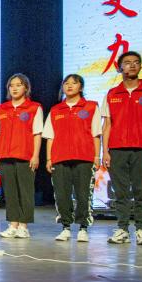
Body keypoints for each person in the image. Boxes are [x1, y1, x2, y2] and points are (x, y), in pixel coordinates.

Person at [101, 51, 142, 246]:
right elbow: (107, 125)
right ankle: (122, 229)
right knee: (120, 192)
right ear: (120, 67)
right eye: (127, 62)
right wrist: (105, 151)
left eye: (136, 62)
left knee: (141, 191)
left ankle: (141, 230)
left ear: (140, 66)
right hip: (117, 149)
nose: (132, 65)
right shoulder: (112, 93)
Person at [43, 74, 100, 243]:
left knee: (83, 195)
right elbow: (50, 136)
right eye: (66, 83)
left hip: (84, 157)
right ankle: (65, 227)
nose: (69, 86)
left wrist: (97, 156)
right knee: (62, 194)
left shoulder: (91, 107)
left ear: (80, 87)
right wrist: (49, 159)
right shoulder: (56, 110)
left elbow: (96, 134)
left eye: (74, 83)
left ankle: (83, 228)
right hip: (60, 158)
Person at [0, 73, 43, 239]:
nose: (14, 88)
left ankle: (23, 226)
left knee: (25, 191)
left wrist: (35, 156)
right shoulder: (2, 108)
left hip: (25, 155)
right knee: (10, 192)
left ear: (26, 88)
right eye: (11, 85)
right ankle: (13, 224)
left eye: (18, 85)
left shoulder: (34, 108)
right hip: (5, 155)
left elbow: (37, 133)